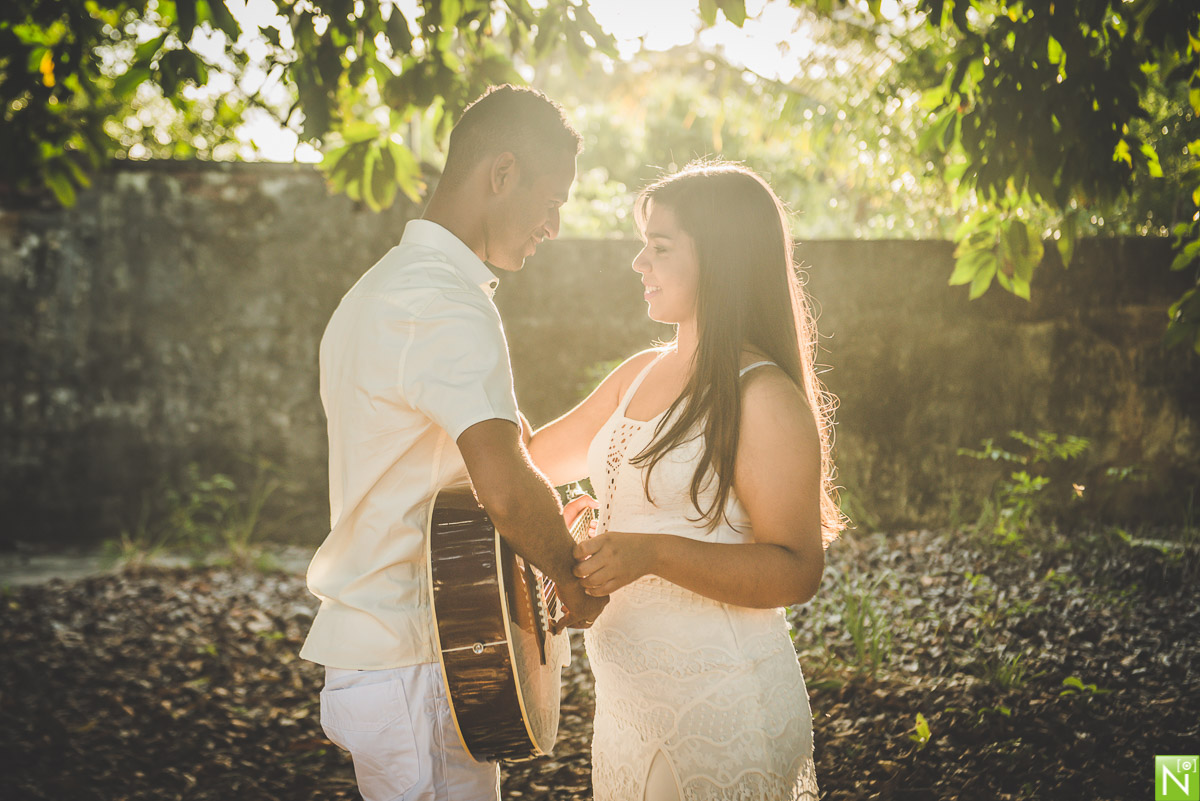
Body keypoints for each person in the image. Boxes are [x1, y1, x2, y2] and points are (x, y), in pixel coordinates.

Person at [299, 84, 608, 801]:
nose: (555, 226)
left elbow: (483, 462)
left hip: (399, 658)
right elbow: (502, 488)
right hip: (416, 667)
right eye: (552, 199)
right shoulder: (443, 301)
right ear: (501, 175)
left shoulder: (378, 291)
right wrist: (568, 573)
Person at [529, 160, 843, 801]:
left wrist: (651, 554)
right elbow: (531, 458)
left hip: (720, 706)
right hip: (628, 710)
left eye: (660, 247)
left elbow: (797, 570)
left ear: (720, 259)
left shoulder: (763, 398)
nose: (638, 263)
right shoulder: (638, 372)